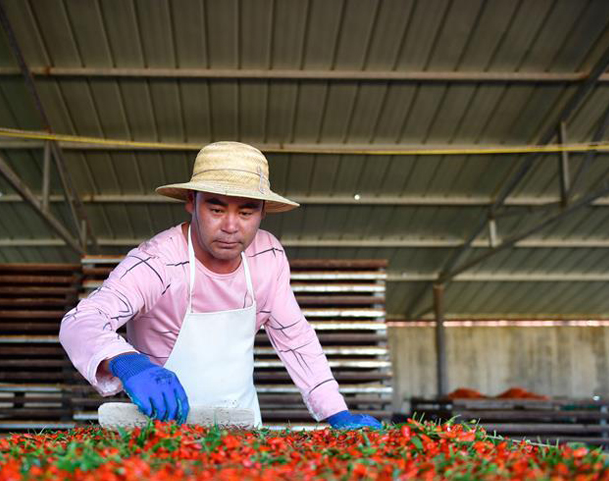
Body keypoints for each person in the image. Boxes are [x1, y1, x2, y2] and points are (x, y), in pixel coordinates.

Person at [60, 141, 381, 429]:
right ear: (191, 202)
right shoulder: (159, 262)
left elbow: (294, 338)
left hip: (242, 428)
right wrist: (128, 363)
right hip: (163, 433)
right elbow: (81, 321)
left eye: (246, 211)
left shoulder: (267, 258)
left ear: (263, 211)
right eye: (215, 208)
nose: (230, 227)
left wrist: (334, 410)